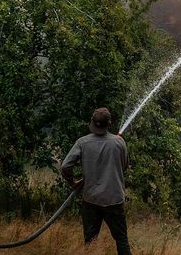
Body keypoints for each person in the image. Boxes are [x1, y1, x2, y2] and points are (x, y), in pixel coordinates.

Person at [61, 107, 131, 255]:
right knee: (121, 240)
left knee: (90, 242)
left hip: (91, 200)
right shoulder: (119, 142)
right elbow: (124, 166)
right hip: (114, 200)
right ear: (109, 123)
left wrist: (72, 182)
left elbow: (65, 166)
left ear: (92, 122)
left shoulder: (82, 142)